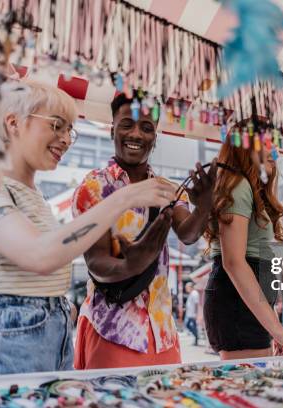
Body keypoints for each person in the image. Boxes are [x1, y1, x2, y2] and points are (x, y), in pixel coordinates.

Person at [0, 80, 176, 375]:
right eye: (56, 125)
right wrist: (127, 196)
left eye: (70, 129)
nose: (66, 139)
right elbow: (40, 255)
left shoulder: (34, 199)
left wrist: (58, 308)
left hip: (50, 339)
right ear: (13, 123)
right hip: (5, 344)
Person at [71, 92, 216, 369]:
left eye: (147, 128)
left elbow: (188, 233)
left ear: (155, 137)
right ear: (113, 129)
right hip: (112, 330)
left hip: (162, 332)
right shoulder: (94, 187)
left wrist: (204, 206)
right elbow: (97, 263)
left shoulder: (165, 187)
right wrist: (131, 265)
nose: (136, 134)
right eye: (127, 124)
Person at [204, 129, 283, 360]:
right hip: (237, 308)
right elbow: (234, 262)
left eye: (274, 144)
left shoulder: (246, 187)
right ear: (244, 147)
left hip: (245, 307)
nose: (273, 151)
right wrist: (277, 330)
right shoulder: (238, 186)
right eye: (265, 144)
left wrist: (273, 326)